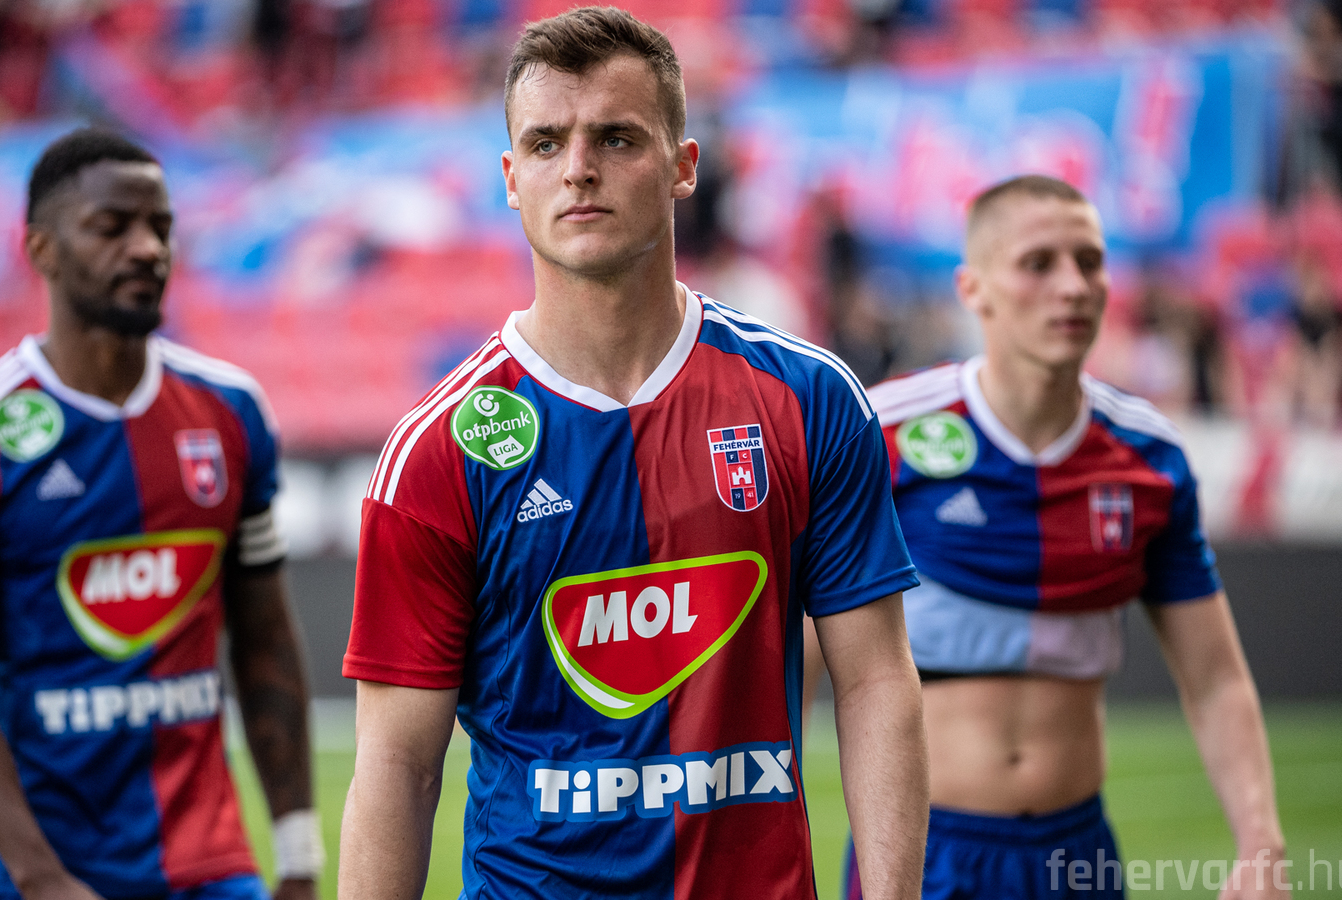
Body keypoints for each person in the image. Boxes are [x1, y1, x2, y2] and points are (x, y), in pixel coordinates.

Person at [338, 8, 928, 899]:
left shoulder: (807, 400)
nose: (578, 167)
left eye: (616, 138)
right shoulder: (436, 452)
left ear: (684, 166)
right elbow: (397, 766)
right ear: (511, 179)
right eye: (545, 144)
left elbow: (876, 679)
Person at [0, 128, 322, 900]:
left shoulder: (232, 413)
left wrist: (298, 856)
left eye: (160, 227)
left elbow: (265, 637)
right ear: (41, 250)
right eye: (112, 227)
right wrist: (42, 879)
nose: (147, 249)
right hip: (41, 875)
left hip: (212, 869)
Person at [854, 175, 1290, 899]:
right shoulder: (882, 430)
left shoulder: (1149, 459)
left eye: (1090, 262)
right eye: (1039, 263)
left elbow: (1215, 679)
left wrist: (1261, 843)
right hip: (922, 856)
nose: (1073, 286)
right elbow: (800, 657)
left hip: (1078, 857)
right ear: (973, 289)